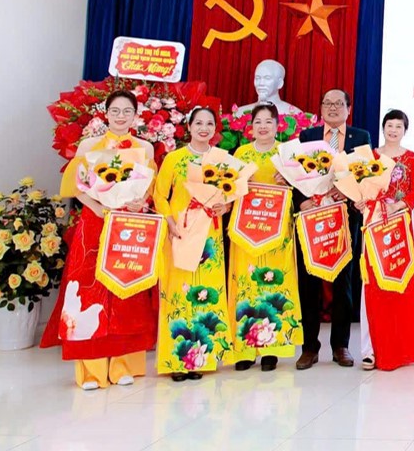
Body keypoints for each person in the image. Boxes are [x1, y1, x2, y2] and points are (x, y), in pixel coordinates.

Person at [40, 90, 157, 391]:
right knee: (88, 291)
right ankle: (90, 370)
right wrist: (96, 207)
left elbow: (149, 187)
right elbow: (76, 186)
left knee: (126, 289)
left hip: (127, 224)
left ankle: (122, 365)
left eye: (127, 111)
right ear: (106, 113)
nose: (121, 116)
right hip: (95, 222)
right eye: (115, 110)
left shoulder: (144, 147)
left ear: (135, 115)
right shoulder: (89, 145)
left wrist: (139, 202)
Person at [154, 106, 233, 382]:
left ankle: (201, 357)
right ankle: (177, 359)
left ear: (215, 128)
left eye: (209, 124)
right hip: (181, 232)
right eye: (198, 123)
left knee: (205, 292)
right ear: (189, 127)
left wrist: (226, 206)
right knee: (179, 292)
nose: (203, 128)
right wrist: (169, 222)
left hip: (210, 235)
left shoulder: (222, 160)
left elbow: (231, 193)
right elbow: (160, 195)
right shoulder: (174, 159)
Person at [294, 88, 372, 371]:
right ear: (321, 108)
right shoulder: (308, 136)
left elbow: (366, 174)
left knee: (344, 284)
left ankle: (341, 345)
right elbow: (295, 174)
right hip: (312, 218)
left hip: (345, 218)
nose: (333, 108)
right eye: (327, 103)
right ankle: (309, 347)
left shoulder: (360, 137)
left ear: (348, 109)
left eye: (339, 103)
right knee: (309, 282)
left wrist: (348, 193)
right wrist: (302, 201)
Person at [227, 103, 302, 373]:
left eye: (268, 121)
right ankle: (245, 348)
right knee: (246, 282)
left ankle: (272, 347)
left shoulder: (286, 154)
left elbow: (302, 187)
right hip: (246, 229)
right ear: (251, 126)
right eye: (258, 121)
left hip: (278, 230)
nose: (263, 126)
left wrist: (289, 181)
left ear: (277, 125)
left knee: (274, 283)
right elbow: (229, 188)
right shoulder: (241, 153)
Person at [358, 109, 414, 371]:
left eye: (399, 126)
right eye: (390, 125)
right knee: (373, 284)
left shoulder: (411, 158)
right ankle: (371, 350)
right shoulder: (369, 157)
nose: (393, 130)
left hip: (399, 226)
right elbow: (360, 188)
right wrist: (360, 201)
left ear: (405, 130)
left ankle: (402, 349)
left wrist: (399, 206)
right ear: (383, 127)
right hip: (373, 224)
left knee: (400, 283)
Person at [236, 59, 303, 115]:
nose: (261, 83)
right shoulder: (240, 113)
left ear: (280, 83)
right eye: (257, 78)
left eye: (267, 78)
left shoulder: (295, 114)